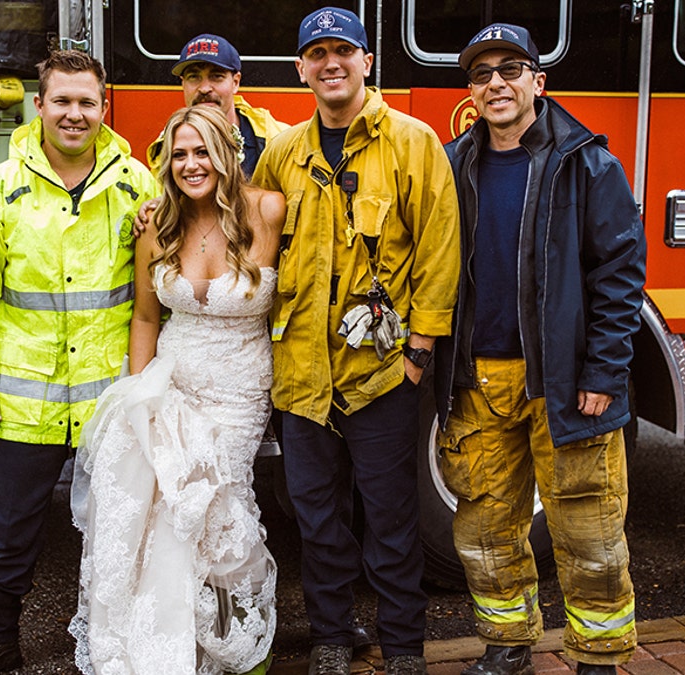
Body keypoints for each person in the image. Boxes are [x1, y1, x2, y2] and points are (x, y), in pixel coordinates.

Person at [249, 8, 460, 675]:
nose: (331, 62)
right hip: (302, 373)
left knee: (392, 520)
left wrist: (419, 352)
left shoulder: (413, 142)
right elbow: (249, 242)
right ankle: (333, 635)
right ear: (301, 70)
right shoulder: (284, 152)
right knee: (317, 519)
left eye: (345, 50)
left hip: (382, 371)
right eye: (318, 53)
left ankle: (401, 645)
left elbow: (439, 249)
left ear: (369, 62)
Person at [435, 23, 647, 675]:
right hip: (477, 379)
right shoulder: (452, 162)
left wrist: (604, 371)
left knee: (589, 528)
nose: (495, 82)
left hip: (565, 380)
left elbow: (620, 270)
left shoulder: (587, 161)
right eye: (481, 73)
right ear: (470, 90)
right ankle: (507, 646)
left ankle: (599, 655)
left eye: (511, 68)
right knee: (486, 527)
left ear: (538, 81)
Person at [0, 49, 158, 675]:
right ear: (39, 106)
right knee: (6, 530)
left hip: (107, 398)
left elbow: (157, 289)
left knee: (120, 533)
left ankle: (118, 642)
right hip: (24, 398)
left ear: (103, 107)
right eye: (61, 101)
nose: (74, 114)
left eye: (86, 102)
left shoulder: (137, 185)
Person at [69, 105, 285, 675]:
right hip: (172, 383)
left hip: (240, 390)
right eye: (180, 154)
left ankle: (238, 646)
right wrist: (140, 399)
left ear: (228, 153)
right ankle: (177, 646)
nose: (191, 164)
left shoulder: (267, 209)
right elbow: (145, 318)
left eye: (202, 151)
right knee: (164, 512)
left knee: (221, 505)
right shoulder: (158, 226)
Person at [147, 33, 287, 178]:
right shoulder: (167, 148)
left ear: (235, 82)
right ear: (183, 84)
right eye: (194, 77)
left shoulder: (278, 140)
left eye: (216, 76)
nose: (204, 88)